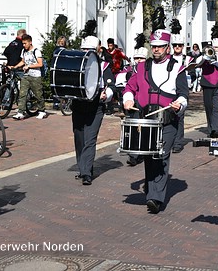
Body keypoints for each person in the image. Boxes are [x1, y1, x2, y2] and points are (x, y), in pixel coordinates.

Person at [122, 29, 188, 213]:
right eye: (154, 47)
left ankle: (155, 198)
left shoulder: (178, 68)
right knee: (149, 157)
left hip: (167, 120)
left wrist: (179, 104)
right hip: (146, 119)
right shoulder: (141, 67)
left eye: (160, 47)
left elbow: (184, 95)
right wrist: (127, 98)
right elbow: (130, 87)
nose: (156, 50)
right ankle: (152, 192)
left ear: (168, 47)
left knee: (161, 155)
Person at [71, 36, 115, 184]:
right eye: (84, 49)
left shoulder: (104, 66)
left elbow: (112, 86)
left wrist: (106, 94)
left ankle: (86, 173)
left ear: (97, 50)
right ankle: (83, 167)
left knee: (90, 139)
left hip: (96, 107)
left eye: (90, 50)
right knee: (79, 139)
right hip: (78, 106)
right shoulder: (77, 65)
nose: (86, 52)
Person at [10, 34, 46, 120]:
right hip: (26, 76)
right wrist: (15, 67)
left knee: (38, 95)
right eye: (22, 43)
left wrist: (29, 66)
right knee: (22, 94)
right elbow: (23, 61)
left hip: (35, 76)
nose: (23, 45)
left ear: (30, 42)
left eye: (25, 43)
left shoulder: (36, 51)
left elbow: (40, 64)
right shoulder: (24, 51)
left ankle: (42, 111)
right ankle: (20, 112)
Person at [170, 33, 192, 153]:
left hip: (183, 88)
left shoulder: (187, 59)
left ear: (183, 46)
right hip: (171, 88)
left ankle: (178, 142)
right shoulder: (168, 58)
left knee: (180, 115)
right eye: (175, 45)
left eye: (179, 45)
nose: (177, 47)